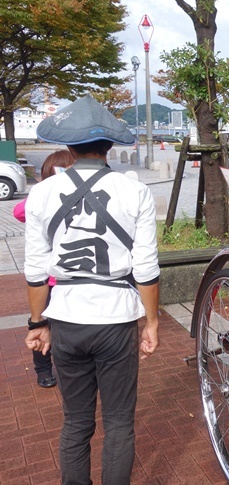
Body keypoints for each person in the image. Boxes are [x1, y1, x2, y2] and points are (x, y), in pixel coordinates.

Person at [24, 96, 160, 484]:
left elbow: (36, 271)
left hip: (65, 318)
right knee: (118, 423)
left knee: (76, 422)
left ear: (69, 147)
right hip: (117, 319)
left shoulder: (43, 193)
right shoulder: (135, 191)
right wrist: (150, 322)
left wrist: (37, 323)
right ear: (109, 146)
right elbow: (146, 268)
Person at [12, 149, 76, 388]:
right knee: (41, 324)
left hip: (70, 278)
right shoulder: (42, 198)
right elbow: (18, 212)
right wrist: (45, 193)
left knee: (66, 329)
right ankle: (42, 368)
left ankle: (66, 366)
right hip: (46, 282)